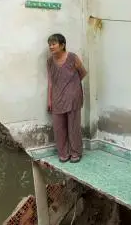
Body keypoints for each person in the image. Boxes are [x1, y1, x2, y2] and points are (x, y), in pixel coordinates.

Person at [47, 33, 87, 163]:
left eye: (54, 44)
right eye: (50, 44)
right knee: (59, 127)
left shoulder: (72, 57)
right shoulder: (49, 61)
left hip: (73, 97)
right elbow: (51, 82)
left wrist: (73, 85)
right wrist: (49, 100)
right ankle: (63, 153)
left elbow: (83, 72)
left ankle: (75, 152)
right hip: (57, 97)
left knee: (73, 126)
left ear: (62, 45)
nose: (51, 47)